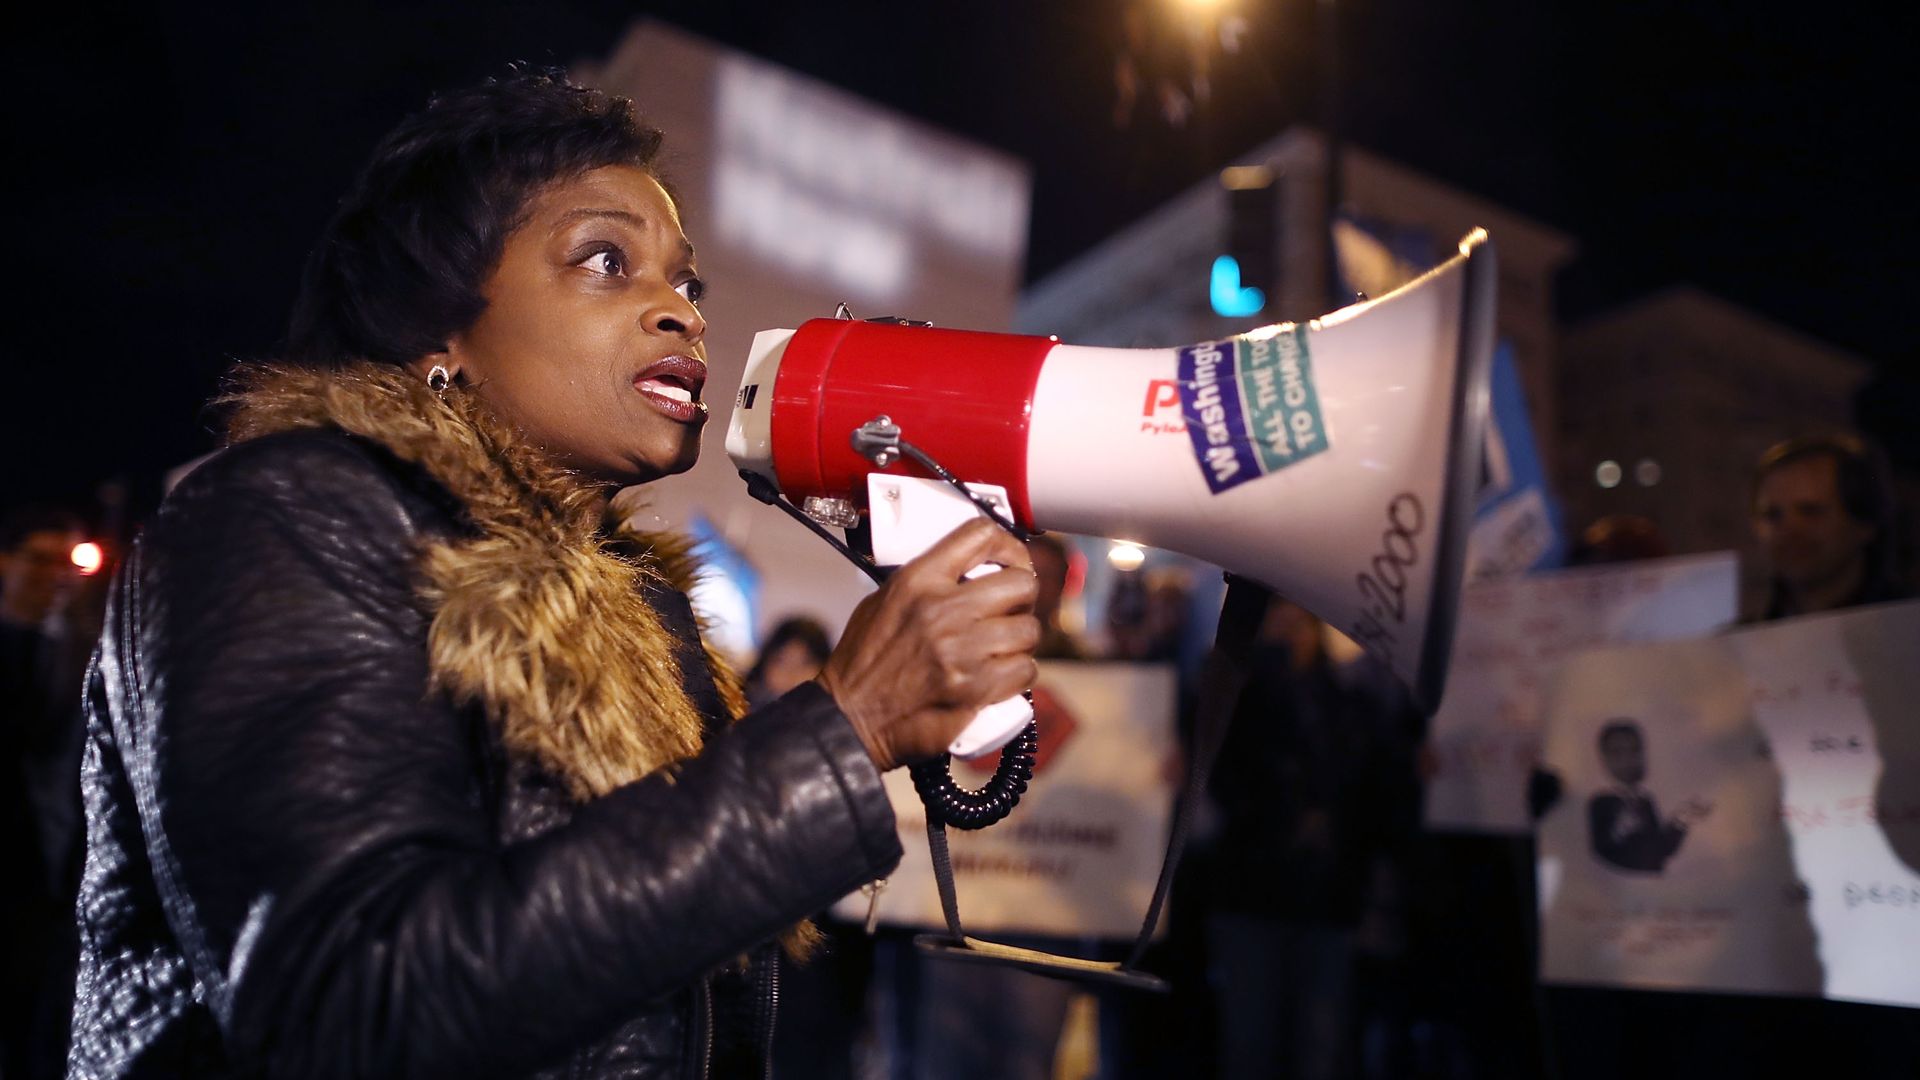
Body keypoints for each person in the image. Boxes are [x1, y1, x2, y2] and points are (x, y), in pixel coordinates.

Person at [66, 70, 1042, 1080]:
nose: (680, 313)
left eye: (687, 282)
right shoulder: (286, 517)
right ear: (436, 331)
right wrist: (844, 731)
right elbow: (353, 1007)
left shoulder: (641, 612)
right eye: (606, 260)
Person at [1, 506, 89, 1080]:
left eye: (66, 563)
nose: (54, 574)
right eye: (40, 558)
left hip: (50, 898)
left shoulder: (74, 654)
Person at [1752, 432, 1911, 619]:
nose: (1789, 530)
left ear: (1864, 522)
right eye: (1773, 515)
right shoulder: (1733, 646)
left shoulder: (1909, 630)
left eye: (1810, 511)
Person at [1585, 720, 1708, 875]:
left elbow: (1661, 848)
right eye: (1617, 752)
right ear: (1604, 759)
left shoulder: (1645, 801)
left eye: (1634, 750)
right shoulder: (1601, 803)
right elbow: (1601, 850)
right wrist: (1620, 831)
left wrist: (1681, 820)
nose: (1627, 760)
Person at [743, 616, 833, 711]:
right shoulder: (742, 714)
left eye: (805, 663)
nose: (792, 674)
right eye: (782, 662)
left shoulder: (835, 720)